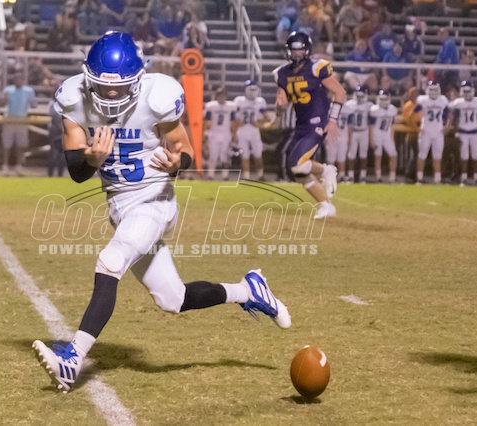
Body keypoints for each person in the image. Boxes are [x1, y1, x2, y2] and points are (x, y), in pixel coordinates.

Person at [32, 31, 292, 393]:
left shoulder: (157, 98)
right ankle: (248, 291)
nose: (111, 95)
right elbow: (77, 171)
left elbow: (186, 151)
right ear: (87, 78)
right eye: (104, 87)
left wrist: (176, 163)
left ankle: (72, 359)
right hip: (120, 207)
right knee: (173, 299)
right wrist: (91, 158)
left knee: (111, 261)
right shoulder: (73, 98)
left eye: (120, 88)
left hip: (154, 201)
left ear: (138, 80)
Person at [274, 32, 347, 218]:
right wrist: (279, 107)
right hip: (300, 125)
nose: (297, 53)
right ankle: (326, 205)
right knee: (297, 170)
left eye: (300, 49)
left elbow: (340, 92)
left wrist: (332, 120)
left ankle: (325, 170)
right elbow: (282, 100)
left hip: (317, 122)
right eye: (294, 50)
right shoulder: (282, 73)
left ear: (307, 50)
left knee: (298, 164)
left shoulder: (316, 68)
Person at [447, 81, 477, 184]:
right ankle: (464, 177)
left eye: (468, 91)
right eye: (465, 91)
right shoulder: (459, 102)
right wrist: (454, 128)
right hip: (463, 132)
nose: (467, 93)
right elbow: (453, 115)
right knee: (464, 156)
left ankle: (476, 177)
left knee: (476, 155)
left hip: (474, 131)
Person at [1, 73, 37, 176]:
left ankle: (19, 166)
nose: (18, 81)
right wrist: (4, 99)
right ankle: (5, 166)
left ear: (23, 80)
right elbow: (2, 104)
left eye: (20, 79)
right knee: (6, 145)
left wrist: (33, 103)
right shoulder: (8, 90)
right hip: (9, 119)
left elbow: (34, 105)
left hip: (22, 120)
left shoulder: (29, 91)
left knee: (21, 145)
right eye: (16, 79)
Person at [234, 81, 270, 180]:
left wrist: (260, 123)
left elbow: (266, 117)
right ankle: (246, 176)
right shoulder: (239, 100)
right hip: (242, 130)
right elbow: (233, 116)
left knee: (258, 154)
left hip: (254, 130)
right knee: (244, 155)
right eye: (250, 89)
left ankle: (260, 175)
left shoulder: (260, 101)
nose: (252, 92)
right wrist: (237, 123)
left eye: (254, 89)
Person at [415, 81, 449, 184]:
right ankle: (419, 178)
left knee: (438, 156)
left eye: (435, 89)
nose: (433, 92)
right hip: (426, 130)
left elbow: (449, 113)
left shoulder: (443, 100)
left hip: (438, 131)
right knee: (422, 154)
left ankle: (437, 178)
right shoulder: (423, 100)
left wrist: (447, 125)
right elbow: (415, 112)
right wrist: (418, 125)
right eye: (432, 89)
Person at [204, 87, 236, 180]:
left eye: (223, 95)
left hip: (226, 133)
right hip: (214, 133)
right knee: (213, 155)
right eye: (219, 95)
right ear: (216, 96)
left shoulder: (230, 106)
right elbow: (207, 121)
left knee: (224, 155)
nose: (221, 97)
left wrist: (234, 134)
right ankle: (210, 174)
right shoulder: (211, 106)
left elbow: (233, 121)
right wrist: (206, 133)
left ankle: (225, 175)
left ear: (225, 96)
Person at [369, 90, 398, 183]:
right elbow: (371, 125)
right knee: (378, 155)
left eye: (385, 99)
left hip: (387, 135)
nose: (383, 101)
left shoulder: (392, 109)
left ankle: (392, 176)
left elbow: (392, 124)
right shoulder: (374, 109)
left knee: (393, 154)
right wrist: (371, 139)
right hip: (377, 134)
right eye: (381, 99)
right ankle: (378, 176)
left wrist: (392, 137)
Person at [345, 86, 372, 183]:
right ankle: (351, 175)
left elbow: (370, 121)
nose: (360, 98)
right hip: (353, 131)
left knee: (363, 155)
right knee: (351, 154)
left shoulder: (369, 105)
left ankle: (363, 176)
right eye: (358, 96)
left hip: (364, 131)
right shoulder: (350, 104)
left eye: (361, 96)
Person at [326, 94, 354, 182]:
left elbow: (349, 125)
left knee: (342, 157)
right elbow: (325, 123)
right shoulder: (329, 108)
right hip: (332, 135)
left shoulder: (348, 109)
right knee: (331, 157)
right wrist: (325, 136)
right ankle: (330, 176)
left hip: (343, 135)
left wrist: (349, 137)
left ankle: (341, 175)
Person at [47, 79, 66, 177]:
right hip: (55, 131)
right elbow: (55, 118)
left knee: (62, 155)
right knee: (54, 154)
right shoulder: (53, 104)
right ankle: (50, 174)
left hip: (63, 131)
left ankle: (60, 175)